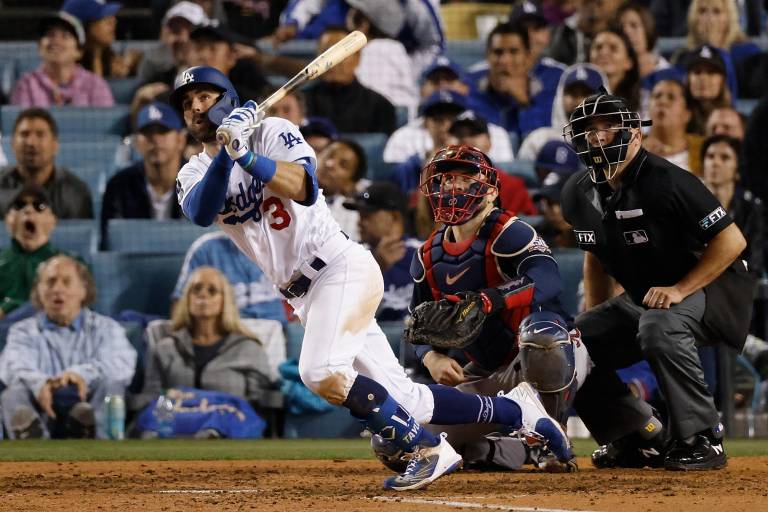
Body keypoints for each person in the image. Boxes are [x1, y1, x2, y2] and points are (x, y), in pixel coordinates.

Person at [171, 65, 572, 490]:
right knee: (406, 399)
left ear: (229, 97)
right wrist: (226, 151)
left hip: (338, 268)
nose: (197, 106)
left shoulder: (271, 131)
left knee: (320, 371)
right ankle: (520, 411)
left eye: (206, 96)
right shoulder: (193, 171)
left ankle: (427, 449)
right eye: (187, 102)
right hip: (305, 295)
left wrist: (246, 154)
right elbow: (200, 210)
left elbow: (305, 185)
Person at [560, 91, 754, 470]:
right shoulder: (577, 191)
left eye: (607, 129)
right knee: (572, 344)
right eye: (588, 130)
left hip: (712, 288)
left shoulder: (667, 180)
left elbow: (732, 240)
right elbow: (596, 256)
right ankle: (635, 436)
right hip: (646, 294)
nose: (596, 138)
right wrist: (596, 322)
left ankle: (704, 437)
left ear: (634, 134)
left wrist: (680, 289)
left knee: (659, 324)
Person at [401, 143, 589, 470]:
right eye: (446, 178)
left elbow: (548, 279)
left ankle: (550, 432)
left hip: (542, 356)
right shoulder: (427, 255)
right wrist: (432, 357)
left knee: (542, 335)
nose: (454, 185)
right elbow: (416, 326)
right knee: (403, 445)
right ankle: (503, 449)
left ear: (489, 190)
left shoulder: (509, 231)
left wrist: (491, 298)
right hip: (486, 369)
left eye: (466, 176)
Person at [0, 255, 136, 439]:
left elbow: (121, 365)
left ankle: (94, 437)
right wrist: (40, 384)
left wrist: (80, 374)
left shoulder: (107, 328)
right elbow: (12, 366)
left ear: (83, 290)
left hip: (89, 401)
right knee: (13, 393)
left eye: (67, 282)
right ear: (38, 291)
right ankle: (32, 444)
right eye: (50, 282)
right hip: (41, 408)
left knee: (112, 385)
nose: (57, 289)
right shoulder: (22, 331)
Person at [138, 267, 273, 410]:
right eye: (196, 289)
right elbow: (151, 398)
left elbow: (259, 405)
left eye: (212, 290)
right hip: (176, 425)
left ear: (224, 300)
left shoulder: (249, 349)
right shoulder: (165, 348)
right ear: (187, 298)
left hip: (229, 426)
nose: (203, 295)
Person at [101, 102, 187, 245]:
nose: (155, 139)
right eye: (147, 133)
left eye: (163, 131)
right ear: (137, 142)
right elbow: (111, 243)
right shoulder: (118, 186)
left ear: (181, 140)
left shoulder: (202, 182)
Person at [469, 22, 563, 140]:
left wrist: (525, 103)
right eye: (498, 52)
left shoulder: (549, 95)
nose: (504, 60)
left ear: (528, 57)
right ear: (488, 56)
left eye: (513, 52)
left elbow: (543, 143)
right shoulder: (471, 93)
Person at [343, 182, 420, 321]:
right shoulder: (351, 260)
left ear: (395, 217)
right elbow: (345, 316)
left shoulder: (425, 254)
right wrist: (376, 267)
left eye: (367, 215)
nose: (359, 222)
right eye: (359, 215)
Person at [172, 231, 287, 324]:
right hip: (227, 329)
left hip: (275, 327)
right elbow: (181, 301)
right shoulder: (206, 248)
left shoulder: (280, 246)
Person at [0, 108, 93, 218]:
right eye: (24, 134)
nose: (31, 143)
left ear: (55, 145)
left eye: (40, 135)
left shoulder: (75, 192)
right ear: (12, 144)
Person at [384, 87, 513, 166]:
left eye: (452, 119)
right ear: (426, 123)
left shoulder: (486, 140)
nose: (446, 126)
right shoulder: (413, 159)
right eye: (438, 119)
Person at [303, 27, 396, 135]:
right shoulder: (301, 103)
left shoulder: (380, 106)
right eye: (326, 53)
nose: (333, 61)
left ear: (358, 58)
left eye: (341, 54)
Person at [10, 12, 114, 107]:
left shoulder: (96, 85)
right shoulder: (26, 85)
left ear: (79, 51)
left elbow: (106, 124)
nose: (56, 40)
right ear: (39, 47)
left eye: (65, 36)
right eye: (50, 34)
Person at [447, 111, 536, 217]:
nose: (466, 139)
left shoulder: (512, 186)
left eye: (473, 133)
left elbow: (528, 224)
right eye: (460, 135)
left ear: (489, 141)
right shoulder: (440, 181)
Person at [701, 134, 763, 278]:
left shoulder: (752, 210)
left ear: (737, 169)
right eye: (710, 156)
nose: (715, 162)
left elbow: (755, 263)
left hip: (738, 286)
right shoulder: (686, 202)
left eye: (725, 158)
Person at [345, 0, 420, 119]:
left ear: (364, 25)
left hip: (380, 120)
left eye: (352, 13)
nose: (347, 17)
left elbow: (370, 100)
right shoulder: (397, 48)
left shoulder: (370, 51)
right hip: (403, 119)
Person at [518, 62, 608, 161]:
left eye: (586, 93)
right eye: (572, 93)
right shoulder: (539, 140)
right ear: (560, 96)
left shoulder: (616, 142)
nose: (578, 100)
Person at [0, 187, 61, 324]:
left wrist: (9, 307)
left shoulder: (70, 264)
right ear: (8, 220)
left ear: (53, 220)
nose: (28, 210)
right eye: (19, 206)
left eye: (39, 206)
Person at [61, 0, 142, 78]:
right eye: (104, 17)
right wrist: (96, 59)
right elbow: (95, 90)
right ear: (84, 27)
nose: (113, 21)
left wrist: (131, 67)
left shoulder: (108, 57)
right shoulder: (64, 67)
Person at [137, 1, 209, 85]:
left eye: (193, 31)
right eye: (176, 30)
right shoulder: (155, 70)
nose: (184, 39)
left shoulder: (218, 76)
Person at [642, 79, 703, 174]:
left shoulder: (702, 151)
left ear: (686, 114)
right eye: (657, 96)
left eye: (671, 97)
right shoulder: (627, 147)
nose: (662, 101)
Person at [316, 138, 368, 241]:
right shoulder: (285, 186)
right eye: (329, 156)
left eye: (343, 165)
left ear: (350, 184)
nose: (329, 164)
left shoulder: (353, 218)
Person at [546, 0, 621, 65]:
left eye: (599, 3)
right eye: (588, 2)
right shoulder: (555, 33)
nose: (593, 7)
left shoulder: (621, 36)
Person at [680, 45, 733, 135]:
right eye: (697, 72)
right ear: (688, 80)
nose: (703, 78)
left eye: (711, 72)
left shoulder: (733, 122)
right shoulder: (677, 119)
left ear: (722, 81)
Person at [588, 29, 641, 112]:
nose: (604, 52)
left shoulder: (644, 100)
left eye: (613, 48)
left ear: (628, 62)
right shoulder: (575, 93)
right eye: (598, 47)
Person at [615, 1, 670, 80]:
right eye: (621, 27)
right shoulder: (613, 72)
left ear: (647, 29)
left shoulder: (665, 73)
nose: (626, 31)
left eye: (634, 25)